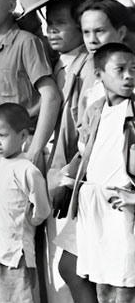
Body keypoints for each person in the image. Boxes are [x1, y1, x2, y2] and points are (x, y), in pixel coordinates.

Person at [0, 0, 60, 207]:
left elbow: (51, 96)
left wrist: (33, 150)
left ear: (11, 5)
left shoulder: (25, 42)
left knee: (17, 225)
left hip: (18, 144)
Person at [65, 42, 135, 302]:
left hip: (123, 206)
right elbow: (84, 153)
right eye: (120, 69)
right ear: (99, 75)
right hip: (93, 207)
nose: (129, 76)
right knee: (101, 284)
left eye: (133, 69)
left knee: (127, 285)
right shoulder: (95, 111)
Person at [41, 0, 98, 303]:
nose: (52, 31)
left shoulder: (89, 68)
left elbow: (88, 132)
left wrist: (66, 178)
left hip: (77, 175)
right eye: (49, 24)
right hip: (60, 170)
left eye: (61, 24)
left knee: (73, 268)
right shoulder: (60, 65)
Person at [0, 103, 50, 303]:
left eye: (3, 135)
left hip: (15, 255)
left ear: (23, 136)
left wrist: (32, 221)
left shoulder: (26, 169)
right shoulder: (0, 166)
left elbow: (42, 208)